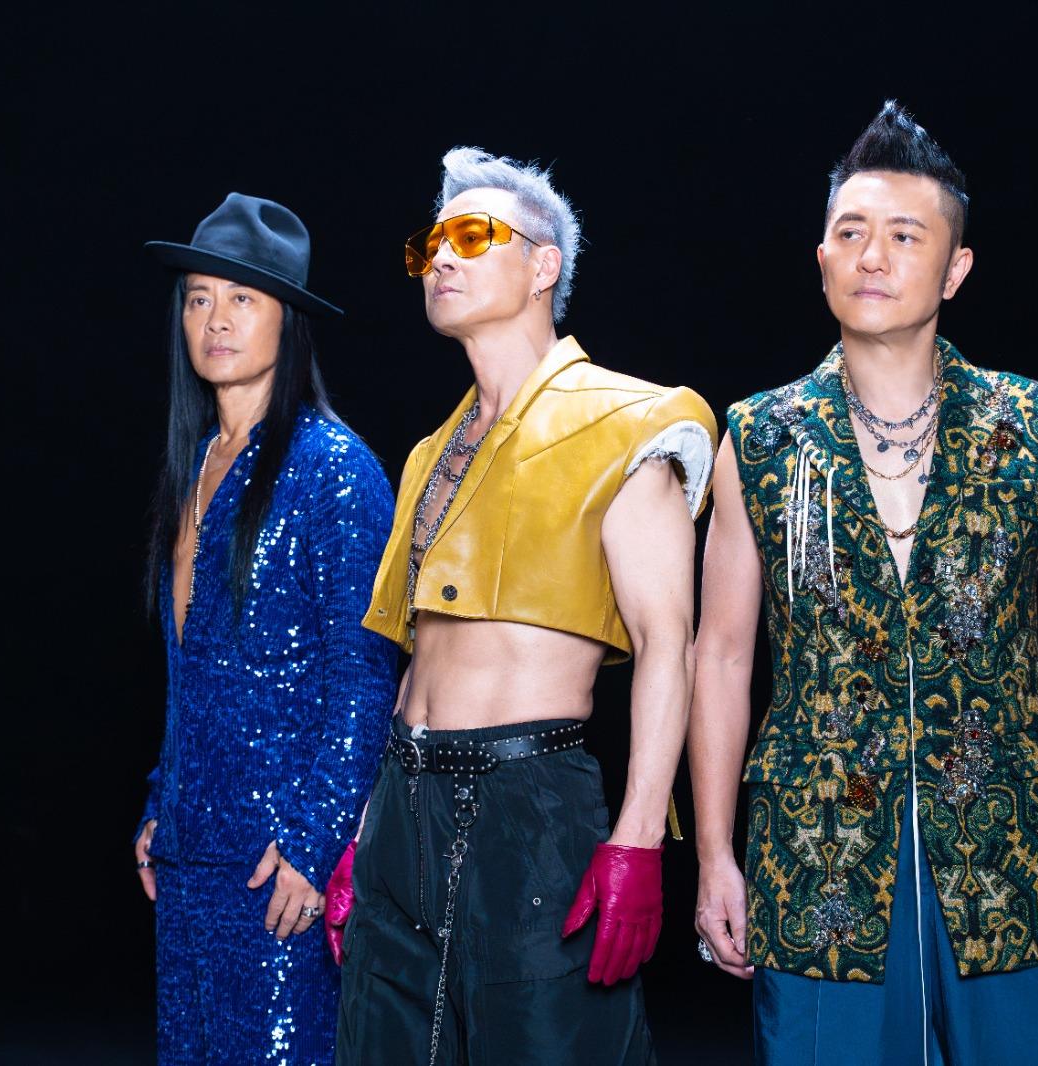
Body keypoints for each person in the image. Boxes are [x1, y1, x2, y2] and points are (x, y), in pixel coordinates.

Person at [688, 102, 1038, 1064]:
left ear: (955, 268)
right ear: (820, 256)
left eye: (905, 236)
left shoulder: (1029, 428)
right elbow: (723, 655)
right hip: (821, 853)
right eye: (850, 233)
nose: (872, 257)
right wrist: (712, 856)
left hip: (1011, 847)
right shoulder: (761, 437)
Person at [325, 148, 716, 1065]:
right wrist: (369, 831)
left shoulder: (630, 420)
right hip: (403, 801)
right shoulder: (430, 455)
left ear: (544, 266)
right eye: (429, 244)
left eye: (471, 236)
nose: (440, 257)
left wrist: (637, 842)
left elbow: (671, 645)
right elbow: (419, 660)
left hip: (528, 805)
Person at [132, 193, 397, 1064]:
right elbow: (193, 674)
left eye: (243, 298)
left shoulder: (334, 468)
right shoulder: (193, 465)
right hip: (187, 861)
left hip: (274, 864)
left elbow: (364, 678)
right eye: (198, 298)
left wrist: (314, 845)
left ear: (290, 320)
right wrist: (160, 804)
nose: (215, 320)